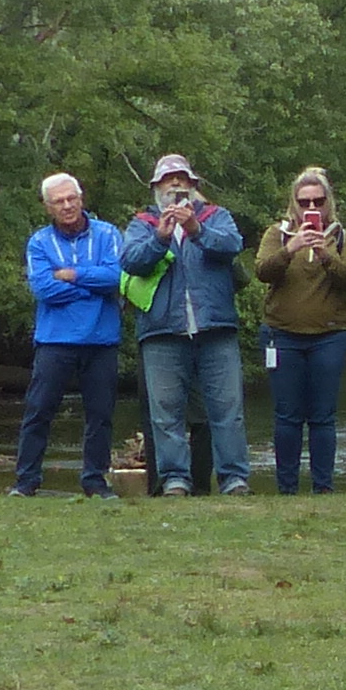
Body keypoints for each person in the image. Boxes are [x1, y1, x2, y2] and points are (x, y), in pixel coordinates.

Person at [120, 157, 251, 494]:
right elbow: (130, 261)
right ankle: (175, 479)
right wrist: (160, 239)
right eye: (168, 180)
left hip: (216, 328)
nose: (175, 186)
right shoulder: (143, 223)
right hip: (162, 331)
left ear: (193, 186)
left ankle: (233, 478)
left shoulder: (215, 216)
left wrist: (196, 230)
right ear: (156, 188)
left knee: (227, 409)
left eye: (182, 179)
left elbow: (233, 245)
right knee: (165, 414)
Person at [14, 173, 126, 497]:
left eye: (71, 198)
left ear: (81, 198)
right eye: (59, 202)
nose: (67, 206)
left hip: (101, 339)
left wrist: (74, 275)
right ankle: (26, 481)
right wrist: (92, 287)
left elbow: (117, 278)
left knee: (100, 414)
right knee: (39, 410)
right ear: (48, 207)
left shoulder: (108, 235)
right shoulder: (39, 242)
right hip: (55, 339)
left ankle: (95, 481)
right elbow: (44, 289)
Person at [254, 168, 346, 493]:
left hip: (329, 336)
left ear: (328, 202)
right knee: (287, 416)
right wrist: (291, 249)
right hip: (282, 334)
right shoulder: (278, 233)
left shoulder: (344, 238)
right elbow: (261, 271)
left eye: (318, 201)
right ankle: (286, 489)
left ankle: (323, 488)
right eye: (305, 202)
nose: (311, 208)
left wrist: (328, 255)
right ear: (295, 203)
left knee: (322, 416)